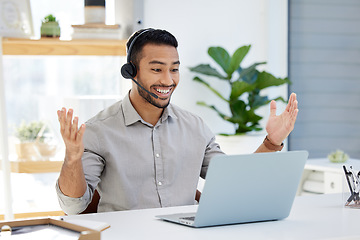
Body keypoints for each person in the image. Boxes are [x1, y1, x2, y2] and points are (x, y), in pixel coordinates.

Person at [56, 28, 298, 215]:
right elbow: (73, 207)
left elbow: (234, 184)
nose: (168, 80)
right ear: (131, 72)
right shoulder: (99, 130)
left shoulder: (195, 127)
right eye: (157, 69)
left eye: (174, 69)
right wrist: (72, 159)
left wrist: (271, 142)